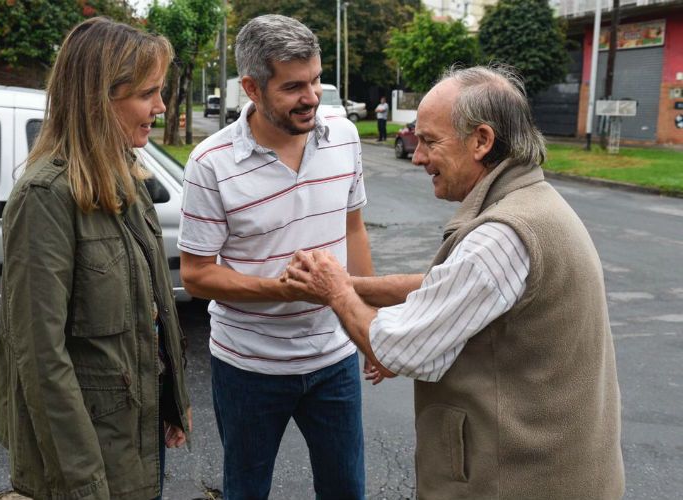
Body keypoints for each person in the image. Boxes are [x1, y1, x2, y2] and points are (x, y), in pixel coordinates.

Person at [286, 65, 625, 499]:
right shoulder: (531, 204)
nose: (418, 156)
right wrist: (351, 284)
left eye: (430, 141)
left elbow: (399, 348)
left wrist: (334, 291)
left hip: (517, 482)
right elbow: (449, 287)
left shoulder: (502, 235)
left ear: (481, 140)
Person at [178, 14, 373, 500]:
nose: (311, 98)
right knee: (246, 490)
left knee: (347, 489)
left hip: (334, 357)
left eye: (315, 81)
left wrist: (369, 326)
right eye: (292, 87)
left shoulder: (344, 137)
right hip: (249, 365)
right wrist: (280, 291)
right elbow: (197, 276)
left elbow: (353, 228)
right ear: (252, 87)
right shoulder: (210, 164)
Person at [0, 17, 191, 500]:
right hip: (90, 460)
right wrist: (83, 482)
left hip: (138, 438)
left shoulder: (129, 178)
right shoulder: (45, 197)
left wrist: (174, 401)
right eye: (148, 93)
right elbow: (40, 360)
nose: (161, 107)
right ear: (99, 99)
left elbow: (157, 310)